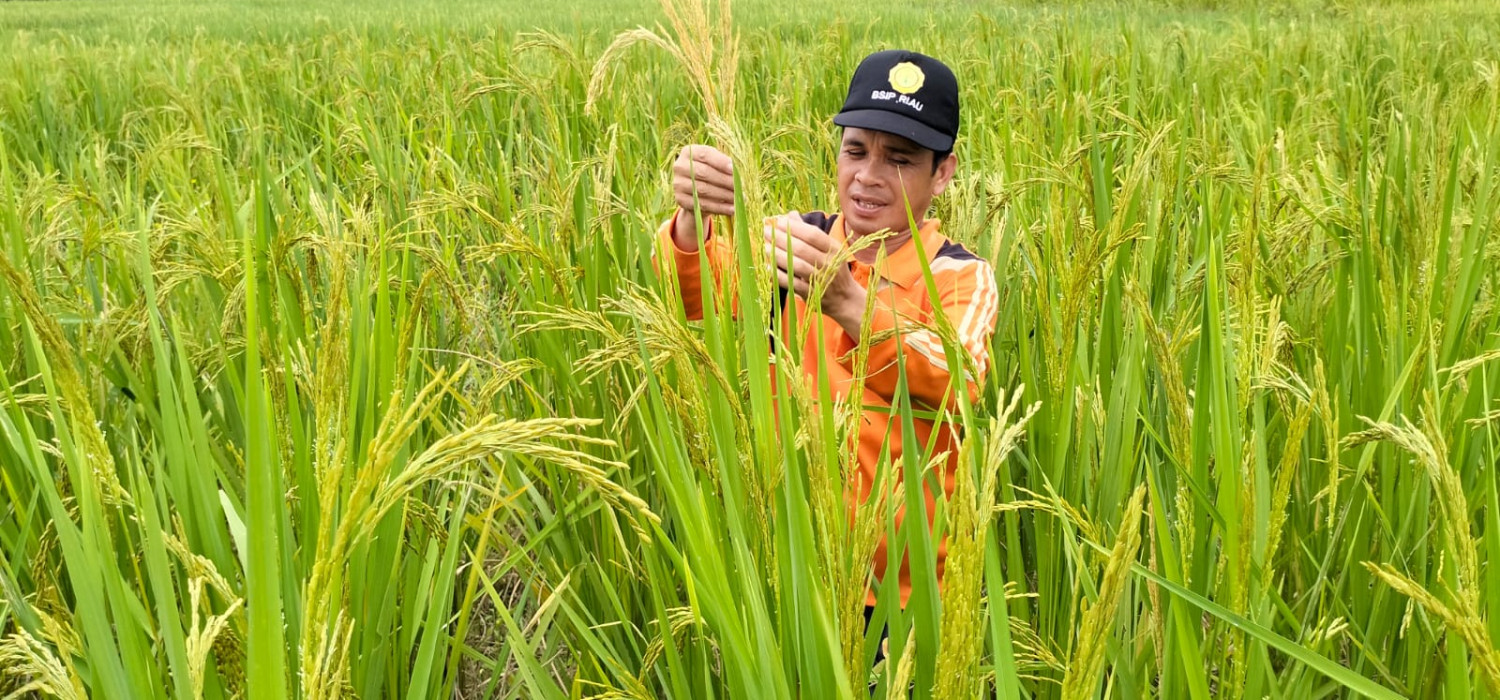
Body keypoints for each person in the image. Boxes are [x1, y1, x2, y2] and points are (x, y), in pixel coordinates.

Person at [656, 49, 997, 626]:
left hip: (907, 600)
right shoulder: (797, 243)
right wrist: (694, 218)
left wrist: (847, 301)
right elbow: (694, 297)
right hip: (792, 570)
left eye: (901, 159)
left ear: (943, 173)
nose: (867, 176)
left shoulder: (958, 276)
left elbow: (957, 377)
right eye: (855, 149)